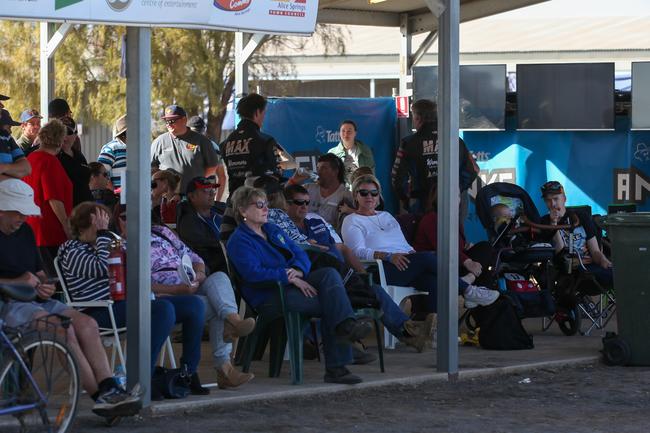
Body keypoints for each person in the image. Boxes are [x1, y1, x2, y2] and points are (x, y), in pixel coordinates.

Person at [0, 179, 141, 418]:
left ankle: (109, 388)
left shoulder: (24, 232)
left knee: (88, 324)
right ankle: (101, 397)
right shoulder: (66, 246)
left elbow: (40, 272)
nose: (23, 218)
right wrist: (18, 282)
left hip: (35, 300)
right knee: (62, 330)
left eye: (25, 213)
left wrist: (43, 285)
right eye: (18, 213)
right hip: (8, 304)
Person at [227, 186, 374, 384]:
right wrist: (287, 277)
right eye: (259, 205)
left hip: (292, 282)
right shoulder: (239, 240)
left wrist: (298, 270)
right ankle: (337, 363)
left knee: (329, 274)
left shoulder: (272, 229)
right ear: (243, 211)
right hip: (270, 294)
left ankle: (345, 328)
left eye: (266, 205)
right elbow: (253, 274)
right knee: (331, 304)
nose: (266, 209)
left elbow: (300, 253)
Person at [342, 175, 500, 313]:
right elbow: (357, 252)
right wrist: (389, 256)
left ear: (378, 197)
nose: (369, 196)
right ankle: (468, 289)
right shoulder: (352, 220)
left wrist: (411, 253)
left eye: (374, 193)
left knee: (434, 281)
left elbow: (402, 243)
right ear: (356, 196)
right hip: (381, 268)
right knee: (428, 258)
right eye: (364, 193)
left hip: (404, 263)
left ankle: (431, 328)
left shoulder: (386, 216)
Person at [57, 202, 176, 381]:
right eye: (103, 221)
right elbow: (104, 266)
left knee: (191, 305)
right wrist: (103, 234)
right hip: (99, 311)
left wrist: (124, 241)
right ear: (91, 222)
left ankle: (181, 374)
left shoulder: (103, 243)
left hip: (120, 304)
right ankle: (141, 375)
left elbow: (135, 268)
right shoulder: (72, 251)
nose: (107, 225)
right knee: (162, 310)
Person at [391, 99, 478, 214]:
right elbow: (473, 170)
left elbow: (397, 178)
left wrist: (406, 201)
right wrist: (454, 191)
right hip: (453, 204)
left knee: (424, 232)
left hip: (421, 204)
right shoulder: (456, 140)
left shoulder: (409, 143)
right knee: (454, 232)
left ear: (417, 118)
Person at [23, 119, 72, 275]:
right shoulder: (50, 162)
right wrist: (66, 226)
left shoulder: (30, 159)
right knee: (54, 283)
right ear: (60, 140)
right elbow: (53, 198)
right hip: (49, 232)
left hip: (31, 230)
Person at [540, 181, 613, 285]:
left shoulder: (581, 217)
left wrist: (603, 261)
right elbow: (561, 254)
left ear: (564, 199)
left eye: (556, 199)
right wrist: (553, 223)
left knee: (615, 274)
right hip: (567, 271)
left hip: (590, 265)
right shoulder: (544, 223)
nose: (553, 204)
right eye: (548, 200)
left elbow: (595, 252)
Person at [413, 182, 483, 282]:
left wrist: (466, 246)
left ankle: (468, 281)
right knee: (472, 263)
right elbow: (444, 248)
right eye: (452, 195)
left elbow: (458, 247)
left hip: (454, 261)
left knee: (484, 248)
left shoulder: (454, 219)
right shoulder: (431, 218)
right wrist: (467, 261)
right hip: (436, 265)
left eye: (458, 196)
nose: (457, 199)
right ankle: (465, 284)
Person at [151, 105, 220, 192]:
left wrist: (196, 180)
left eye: (172, 120)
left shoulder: (202, 141)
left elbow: (212, 166)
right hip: (167, 197)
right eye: (167, 121)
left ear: (184, 120)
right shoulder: (159, 142)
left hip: (194, 196)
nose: (169, 124)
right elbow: (151, 168)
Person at [220, 93, 281, 193]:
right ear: (257, 112)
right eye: (263, 113)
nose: (264, 118)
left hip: (234, 202)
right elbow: (275, 175)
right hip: (257, 202)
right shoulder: (266, 140)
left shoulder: (225, 143)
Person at [177, 176, 227, 274]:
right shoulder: (188, 223)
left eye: (213, 189)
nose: (212, 193)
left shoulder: (221, 210)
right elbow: (209, 251)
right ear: (192, 197)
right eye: (206, 190)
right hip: (215, 269)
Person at [290, 153, 352, 229]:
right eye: (318, 168)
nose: (319, 172)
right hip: (304, 235)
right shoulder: (308, 188)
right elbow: (282, 200)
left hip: (331, 238)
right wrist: (293, 181)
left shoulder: (346, 195)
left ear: (336, 171)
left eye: (324, 168)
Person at [188, 115, 227, 202]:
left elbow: (222, 177)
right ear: (204, 131)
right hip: (207, 196)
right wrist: (217, 201)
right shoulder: (214, 146)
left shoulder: (185, 145)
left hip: (190, 195)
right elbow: (222, 177)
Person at [58, 116, 92, 206]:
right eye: (61, 132)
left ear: (75, 134)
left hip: (85, 208)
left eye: (68, 132)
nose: (64, 137)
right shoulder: (54, 156)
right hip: (67, 209)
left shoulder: (79, 156)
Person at [328, 120, 375, 184]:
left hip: (360, 189)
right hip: (341, 191)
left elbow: (371, 175)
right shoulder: (332, 153)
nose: (346, 134)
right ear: (339, 133)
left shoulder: (365, 151)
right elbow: (329, 177)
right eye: (343, 131)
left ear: (355, 133)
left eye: (349, 131)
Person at [98, 114, 127, 189]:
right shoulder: (111, 148)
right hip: (118, 198)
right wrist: (114, 195)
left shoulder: (139, 149)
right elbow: (101, 174)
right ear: (124, 134)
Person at [0, 109, 31, 180]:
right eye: (8, 127)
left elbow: (26, 169)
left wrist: (4, 167)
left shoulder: (7, 137)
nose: (10, 132)